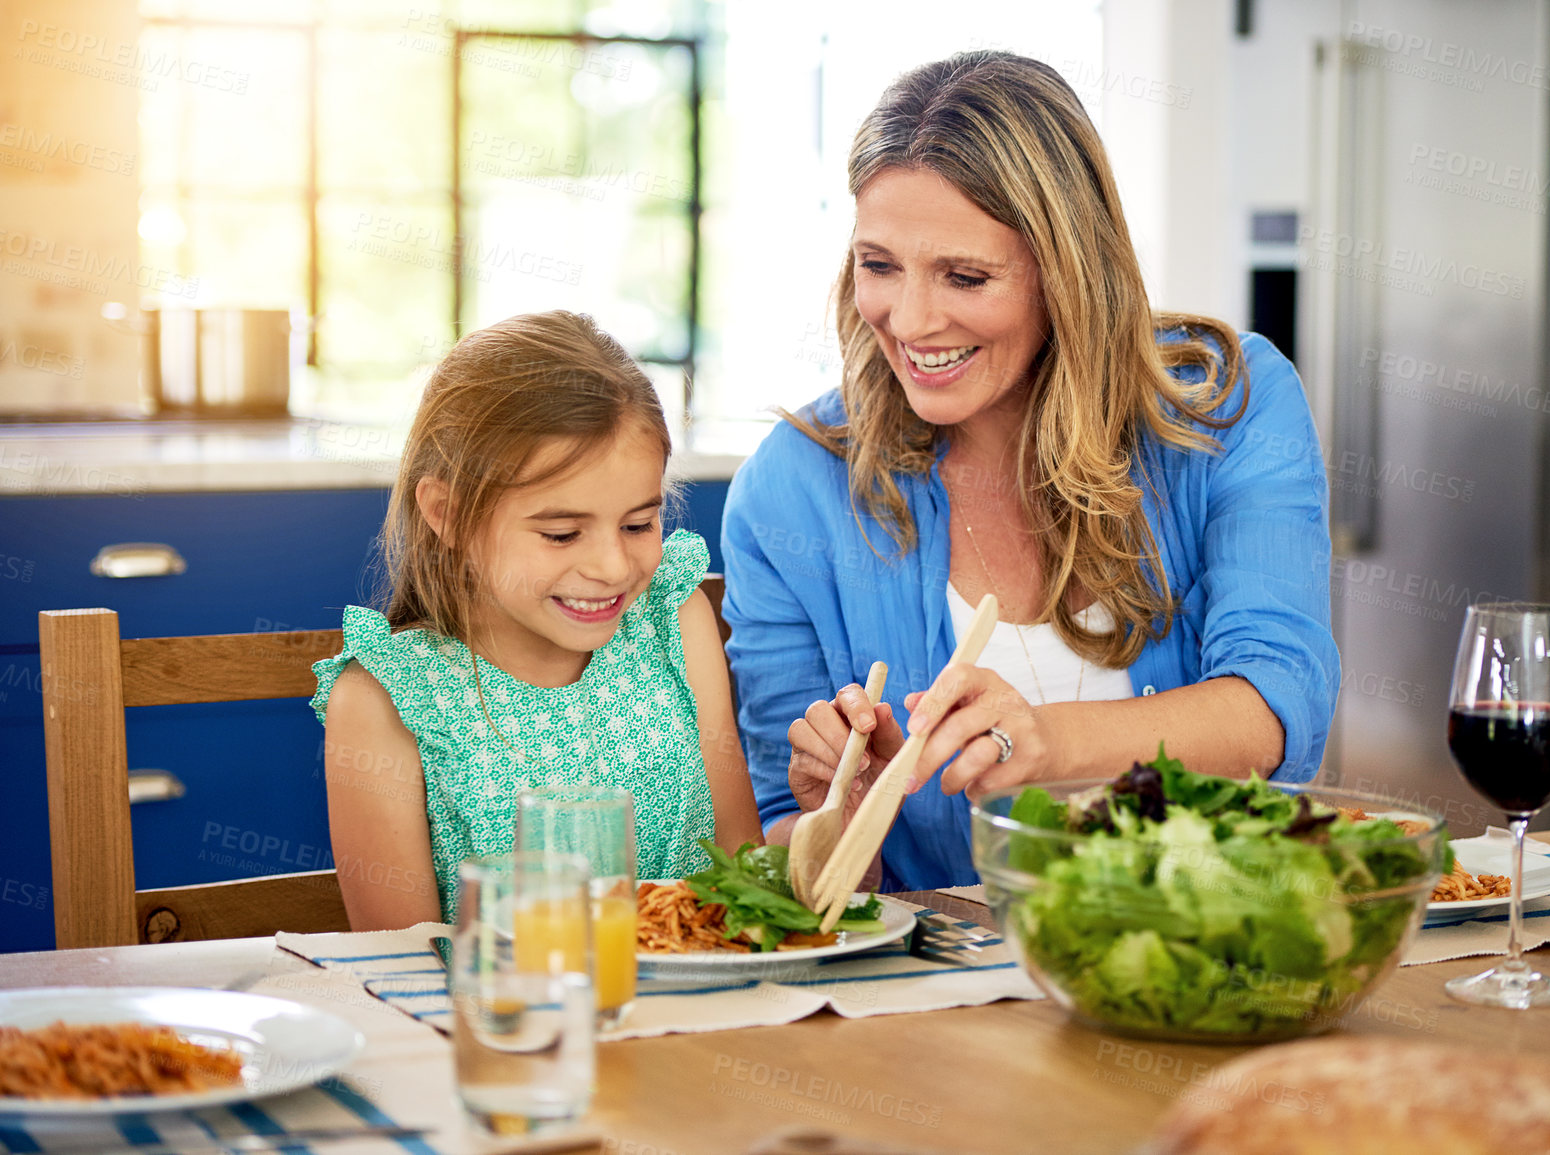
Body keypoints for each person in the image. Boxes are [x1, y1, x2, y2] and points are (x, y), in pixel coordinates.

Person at [720, 51, 1339, 892]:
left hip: (1200, 942)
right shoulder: (791, 488)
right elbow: (790, 859)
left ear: (1067, 270)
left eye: (965, 276)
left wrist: (1041, 740)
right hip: (942, 997)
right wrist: (838, 811)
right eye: (879, 265)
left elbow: (1275, 702)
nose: (908, 319)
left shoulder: (1226, 403)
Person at [313, 310, 762, 929]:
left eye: (638, 525)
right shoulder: (386, 700)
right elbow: (400, 971)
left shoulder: (675, 621)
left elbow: (740, 877)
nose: (611, 566)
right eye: (561, 533)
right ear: (446, 512)